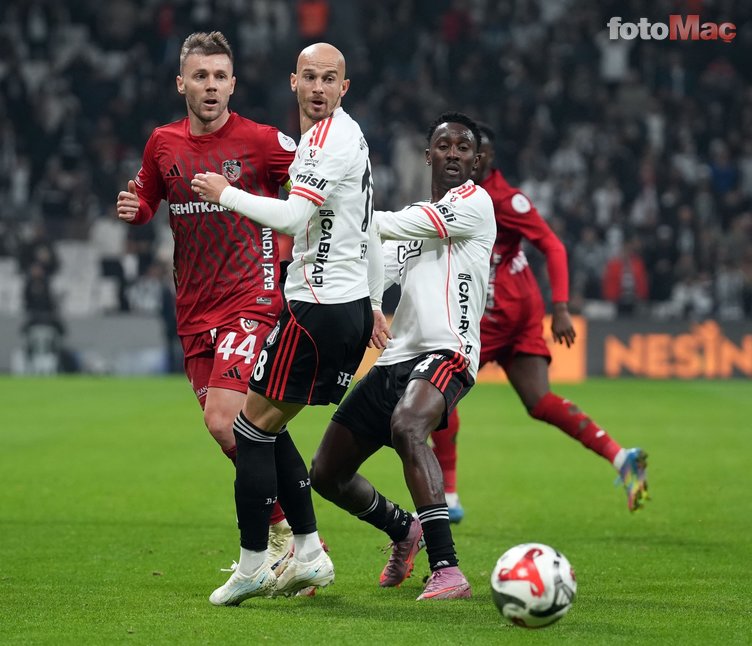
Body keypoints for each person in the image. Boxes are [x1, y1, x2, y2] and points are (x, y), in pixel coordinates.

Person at [191, 42, 378, 605]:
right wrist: (374, 303)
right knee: (264, 427)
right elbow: (362, 223)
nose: (319, 88)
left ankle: (255, 563)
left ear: (344, 87)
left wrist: (228, 193)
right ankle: (309, 553)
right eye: (310, 78)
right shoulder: (352, 134)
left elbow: (295, 217)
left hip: (317, 310)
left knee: (249, 431)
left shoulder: (324, 140)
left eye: (329, 79)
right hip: (343, 307)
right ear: (294, 81)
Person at [115, 31, 297, 559]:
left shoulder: (263, 141)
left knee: (222, 419)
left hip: (252, 296)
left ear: (233, 84)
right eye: (201, 76)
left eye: (220, 76)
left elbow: (314, 191)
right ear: (182, 84)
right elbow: (147, 198)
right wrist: (135, 210)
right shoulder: (162, 143)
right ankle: (299, 537)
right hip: (194, 308)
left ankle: (287, 539)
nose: (211, 85)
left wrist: (295, 246)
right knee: (240, 430)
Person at [308, 112, 495, 601]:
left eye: (463, 148)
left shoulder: (475, 203)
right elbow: (373, 269)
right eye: (444, 146)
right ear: (428, 155)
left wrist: (344, 209)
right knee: (326, 473)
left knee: (408, 425)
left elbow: (381, 226)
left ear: (476, 160)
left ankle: (447, 569)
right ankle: (402, 529)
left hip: (448, 352)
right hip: (397, 359)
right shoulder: (414, 219)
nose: (453, 154)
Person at [431, 124, 649, 522]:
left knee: (439, 389)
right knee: (539, 402)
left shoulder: (504, 200)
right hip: (500, 309)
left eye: (474, 151)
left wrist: (561, 307)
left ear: (486, 157)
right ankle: (621, 457)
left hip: (502, 314)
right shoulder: (454, 193)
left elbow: (552, 245)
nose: (466, 157)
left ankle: (448, 496)